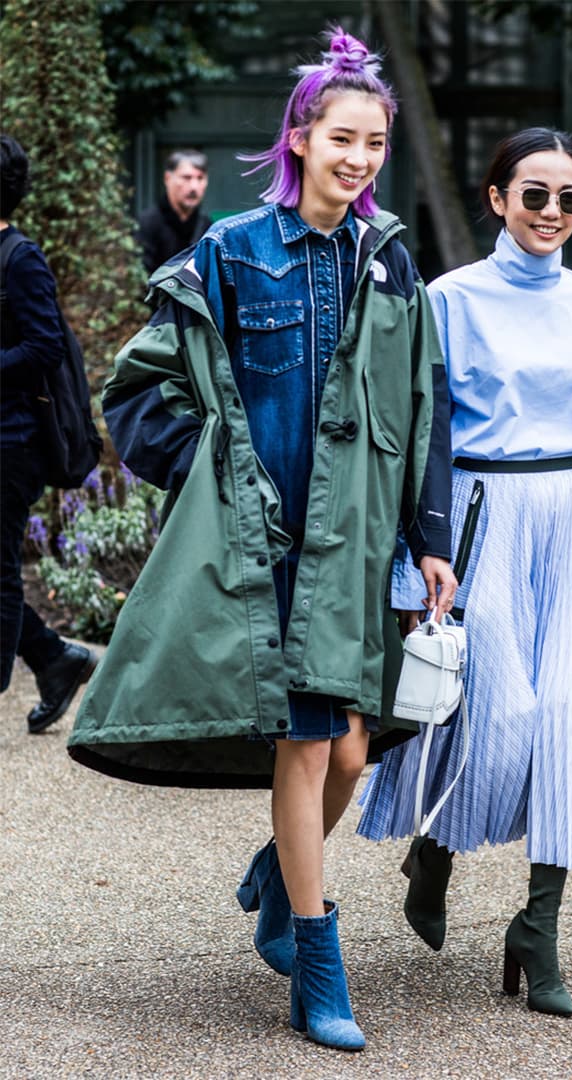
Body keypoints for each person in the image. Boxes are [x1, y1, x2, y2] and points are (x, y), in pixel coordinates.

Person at [67, 29, 457, 1051]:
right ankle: (318, 971)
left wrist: (429, 533)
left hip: (358, 542)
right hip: (266, 546)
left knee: (355, 748)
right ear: (299, 137)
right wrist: (219, 474)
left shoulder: (389, 263)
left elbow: (425, 405)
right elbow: (139, 386)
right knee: (310, 736)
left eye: (375, 142)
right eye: (343, 137)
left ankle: (279, 881)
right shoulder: (234, 251)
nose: (361, 158)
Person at [357, 127, 572, 1018]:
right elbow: (422, 439)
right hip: (480, 521)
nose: (553, 213)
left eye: (569, 199)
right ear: (497, 198)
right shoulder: (449, 299)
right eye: (535, 195)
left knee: (562, 716)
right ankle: (434, 854)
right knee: (499, 710)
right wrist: (418, 563)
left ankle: (540, 926)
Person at [0, 134, 97, 731]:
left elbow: (44, 346)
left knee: (1, 571)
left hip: (12, 442)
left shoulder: (20, 258)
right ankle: (52, 656)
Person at [137, 149, 211, 273]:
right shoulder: (147, 224)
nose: (194, 186)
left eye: (200, 178)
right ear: (167, 178)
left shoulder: (206, 226)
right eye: (186, 178)